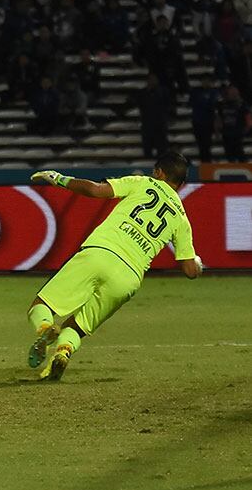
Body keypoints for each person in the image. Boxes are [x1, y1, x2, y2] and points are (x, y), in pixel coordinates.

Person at [27, 152, 202, 381]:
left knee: (41, 305)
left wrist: (59, 178)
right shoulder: (181, 217)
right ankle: (63, 351)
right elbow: (190, 270)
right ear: (181, 183)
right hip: (129, 278)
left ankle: (44, 329)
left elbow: (95, 190)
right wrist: (199, 264)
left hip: (101, 252)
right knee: (79, 326)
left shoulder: (143, 183)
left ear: (159, 173)